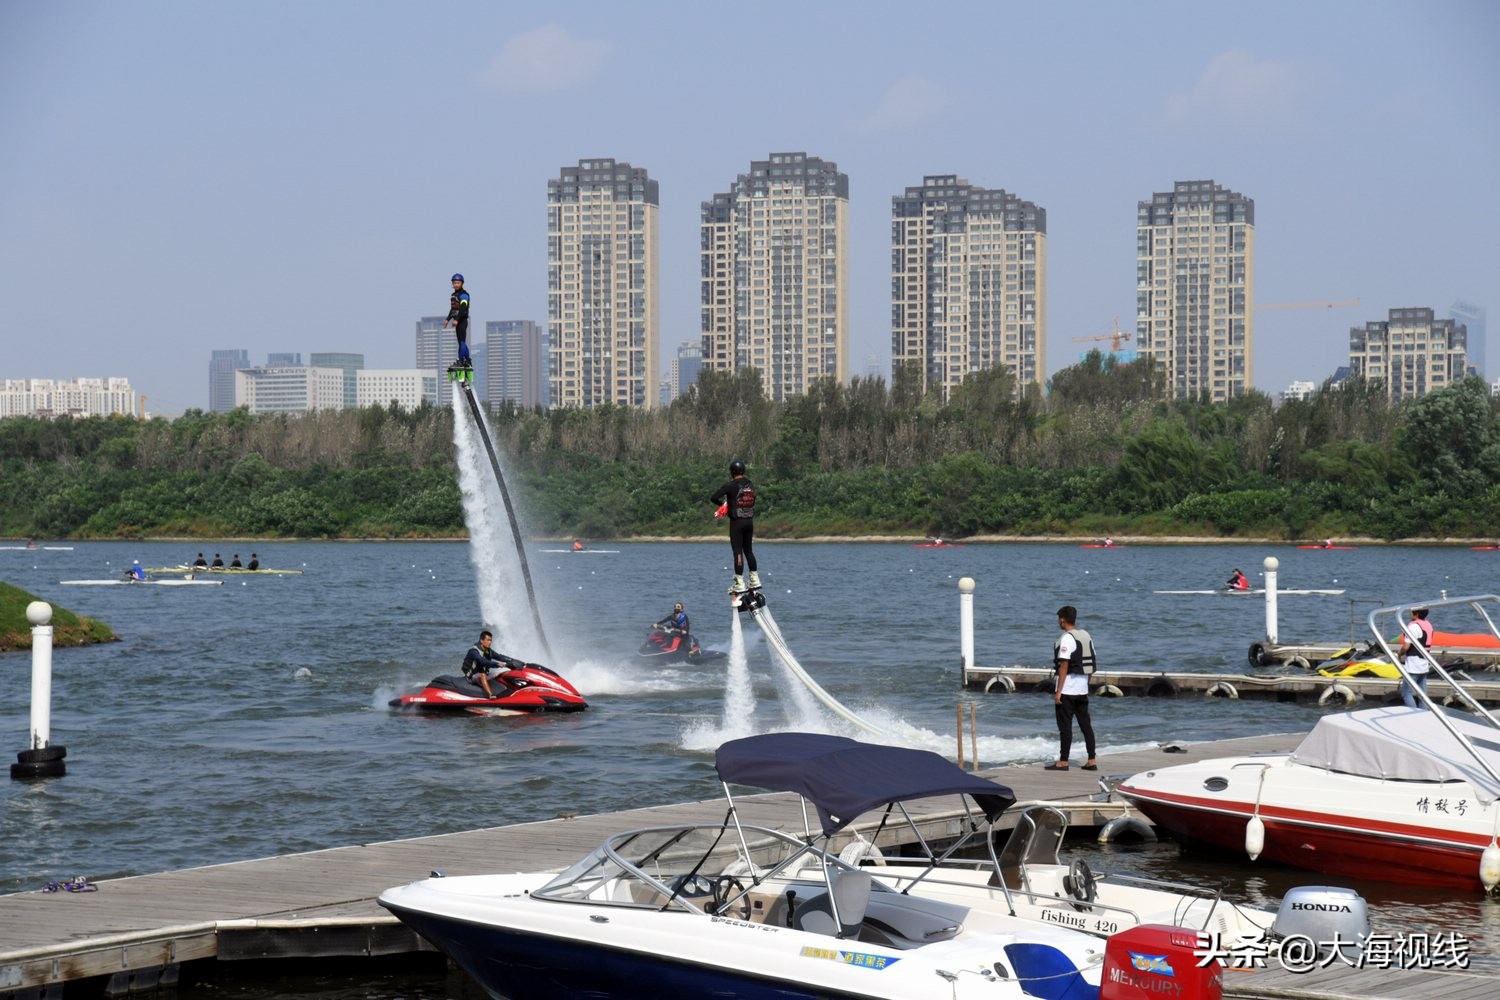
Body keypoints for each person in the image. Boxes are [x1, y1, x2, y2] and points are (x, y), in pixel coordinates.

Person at [1045, 605, 1098, 772]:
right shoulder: (1086, 636)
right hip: (1082, 689)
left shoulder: (1067, 638)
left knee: (1065, 727)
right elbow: (1092, 665)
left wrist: (1059, 691)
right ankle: (1091, 760)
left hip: (1068, 690)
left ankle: (1063, 761)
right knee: (1085, 725)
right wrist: (1086, 684)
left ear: (1062, 620)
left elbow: (1064, 666)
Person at [710, 459, 758, 592]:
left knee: (738, 552)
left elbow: (713, 497)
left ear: (732, 472)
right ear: (743, 471)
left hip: (737, 522)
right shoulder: (750, 484)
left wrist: (724, 505)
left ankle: (739, 582)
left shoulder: (730, 485)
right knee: (748, 551)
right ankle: (754, 580)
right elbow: (753, 499)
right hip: (749, 520)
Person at [461, 630, 526, 699]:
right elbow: (483, 661)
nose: (490, 642)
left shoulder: (488, 650)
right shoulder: (474, 651)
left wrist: (515, 661)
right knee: (483, 675)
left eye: (491, 640)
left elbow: (500, 657)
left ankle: (512, 689)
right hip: (472, 677)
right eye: (488, 640)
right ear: (481, 641)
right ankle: (491, 695)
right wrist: (498, 664)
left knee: (502, 673)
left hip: (485, 674)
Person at [1397, 607, 1434, 709]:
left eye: (1412, 612)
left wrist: (1399, 654)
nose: (1410, 614)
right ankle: (1424, 715)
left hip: (1413, 664)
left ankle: (1413, 714)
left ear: (1416, 614)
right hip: (1424, 663)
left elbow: (1406, 646)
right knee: (1423, 695)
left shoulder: (1413, 627)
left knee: (1406, 693)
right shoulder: (1428, 624)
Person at [443, 273, 471, 369]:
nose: (456, 284)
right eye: (454, 283)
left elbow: (463, 308)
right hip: (457, 321)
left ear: (462, 283)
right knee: (461, 342)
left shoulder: (464, 295)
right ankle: (467, 360)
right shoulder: (454, 295)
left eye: (458, 283)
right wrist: (447, 319)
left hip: (462, 320)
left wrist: (457, 320)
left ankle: (461, 361)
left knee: (462, 341)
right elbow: (453, 309)